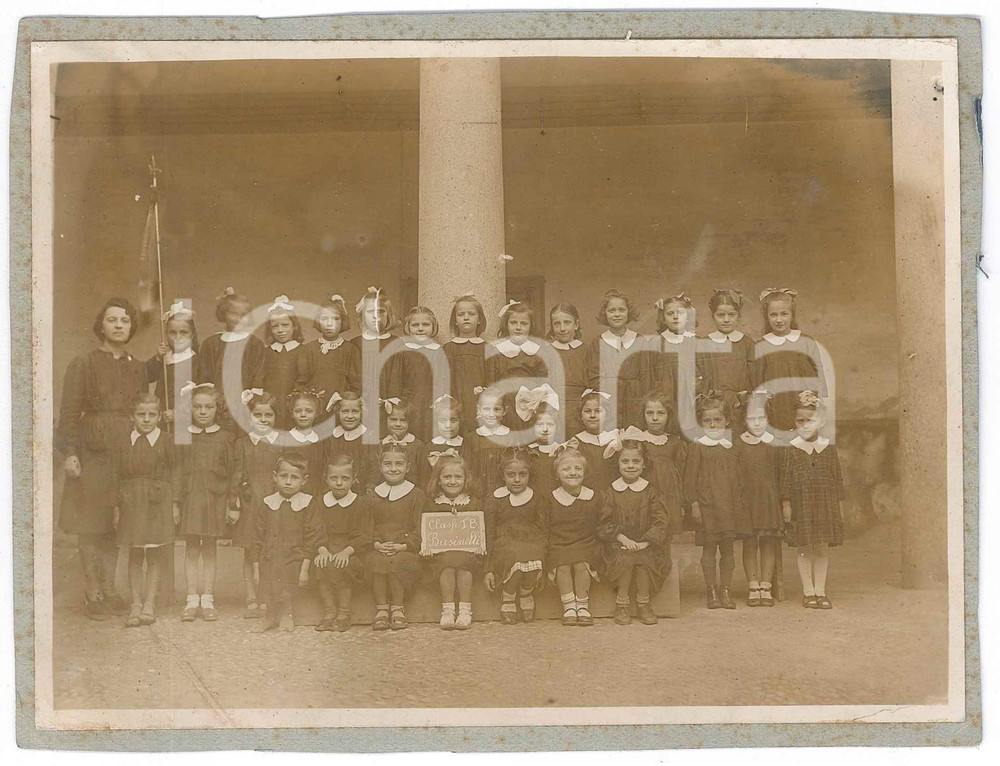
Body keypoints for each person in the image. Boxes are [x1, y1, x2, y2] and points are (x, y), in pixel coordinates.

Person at [57, 297, 148, 620]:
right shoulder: (83, 362)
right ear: (101, 326)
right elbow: (68, 411)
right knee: (91, 522)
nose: (119, 325)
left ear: (131, 327)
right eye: (112, 320)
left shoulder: (137, 367)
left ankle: (110, 589)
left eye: (125, 320)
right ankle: (92, 591)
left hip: (124, 446)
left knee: (116, 521)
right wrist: (68, 452)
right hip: (92, 447)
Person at [111, 393, 176, 627]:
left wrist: (175, 503)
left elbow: (176, 472)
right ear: (133, 416)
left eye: (152, 414)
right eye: (141, 414)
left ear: (160, 416)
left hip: (158, 502)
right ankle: (135, 604)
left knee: (155, 554)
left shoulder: (167, 440)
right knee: (135, 554)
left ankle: (150, 603)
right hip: (131, 502)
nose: (146, 419)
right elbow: (116, 476)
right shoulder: (124, 441)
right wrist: (117, 507)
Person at [684, 392, 751, 610]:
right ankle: (711, 590)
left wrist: (740, 502)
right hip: (708, 506)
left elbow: (741, 477)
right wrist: (694, 503)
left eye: (717, 420)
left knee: (729, 550)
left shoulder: (734, 446)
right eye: (707, 421)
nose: (712, 424)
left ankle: (726, 590)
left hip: (730, 506)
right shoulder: (697, 447)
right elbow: (690, 478)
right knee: (710, 549)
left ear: (728, 421)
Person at [780, 390, 845, 610]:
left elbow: (837, 479)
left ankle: (821, 591)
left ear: (822, 421)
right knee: (804, 546)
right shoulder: (792, 448)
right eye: (801, 421)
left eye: (811, 420)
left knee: (821, 547)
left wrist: (839, 505)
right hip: (802, 503)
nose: (805, 425)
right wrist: (786, 502)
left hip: (824, 503)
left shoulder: (828, 447)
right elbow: (786, 478)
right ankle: (808, 591)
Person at [174, 384, 233, 622]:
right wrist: (175, 503)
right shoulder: (183, 437)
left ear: (217, 409)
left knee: (209, 549)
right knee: (191, 549)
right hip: (191, 499)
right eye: (197, 407)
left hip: (214, 499)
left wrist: (230, 502)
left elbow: (231, 473)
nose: (203, 412)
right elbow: (177, 471)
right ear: (191, 409)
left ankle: (207, 597)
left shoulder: (226, 438)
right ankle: (191, 599)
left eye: (208, 407)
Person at [248, 453, 325, 632]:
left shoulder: (307, 503)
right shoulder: (268, 503)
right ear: (275, 477)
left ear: (304, 481)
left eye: (294, 477)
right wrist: (256, 566)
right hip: (270, 555)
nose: (288, 482)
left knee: (288, 573)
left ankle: (286, 613)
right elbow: (257, 537)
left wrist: (305, 567)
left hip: (297, 556)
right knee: (269, 575)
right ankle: (270, 616)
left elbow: (313, 536)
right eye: (284, 476)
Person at [598, 440, 670, 626]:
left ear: (644, 463)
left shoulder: (651, 491)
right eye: (625, 461)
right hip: (617, 543)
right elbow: (603, 523)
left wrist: (646, 542)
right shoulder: (611, 492)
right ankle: (622, 604)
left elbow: (660, 521)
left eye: (636, 461)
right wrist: (621, 537)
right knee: (626, 558)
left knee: (643, 559)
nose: (631, 466)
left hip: (647, 544)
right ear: (618, 464)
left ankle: (643, 603)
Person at [229, 391, 283, 619]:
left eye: (268, 415)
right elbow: (236, 473)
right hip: (251, 503)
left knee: (269, 551)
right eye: (257, 415)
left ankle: (266, 594)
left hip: (272, 503)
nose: (263, 419)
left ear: (275, 417)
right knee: (250, 552)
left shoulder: (280, 442)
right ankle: (251, 595)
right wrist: (233, 501)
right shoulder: (242, 443)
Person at [365, 443, 426, 631]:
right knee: (376, 561)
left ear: (407, 467)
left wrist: (404, 546)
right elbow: (368, 525)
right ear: (380, 466)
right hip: (379, 546)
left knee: (399, 561)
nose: (393, 469)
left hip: (405, 547)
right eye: (388, 464)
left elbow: (419, 527)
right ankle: (382, 608)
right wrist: (376, 544)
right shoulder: (373, 495)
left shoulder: (416, 495)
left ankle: (398, 608)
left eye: (399, 464)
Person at [483, 448, 548, 625]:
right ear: (503, 476)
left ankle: (526, 593)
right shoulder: (495, 498)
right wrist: (488, 568)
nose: (517, 479)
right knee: (515, 556)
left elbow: (542, 529)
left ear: (529, 475)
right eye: (511, 474)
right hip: (504, 542)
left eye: (522, 474)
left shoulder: (535, 497)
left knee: (534, 556)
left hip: (530, 539)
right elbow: (489, 532)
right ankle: (509, 595)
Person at [421, 453, 484, 630]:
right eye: (447, 477)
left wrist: (480, 546)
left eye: (458, 477)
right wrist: (427, 547)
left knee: (463, 564)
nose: (452, 481)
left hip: (468, 554)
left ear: (466, 479)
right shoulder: (432, 503)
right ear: (439, 480)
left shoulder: (474, 503)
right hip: (441, 555)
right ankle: (448, 609)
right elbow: (427, 530)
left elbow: (479, 530)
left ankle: (465, 609)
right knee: (447, 565)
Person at [754, 289, 828, 432]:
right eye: (773, 315)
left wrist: (819, 400)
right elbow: (758, 379)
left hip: (805, 402)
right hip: (777, 404)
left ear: (792, 315)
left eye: (784, 314)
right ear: (767, 317)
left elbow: (818, 371)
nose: (779, 319)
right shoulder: (761, 345)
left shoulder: (806, 342)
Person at [312, 455, 371, 632]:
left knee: (344, 565)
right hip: (326, 546)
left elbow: (364, 534)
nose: (339, 483)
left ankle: (344, 613)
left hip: (351, 549)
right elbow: (315, 529)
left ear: (354, 480)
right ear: (326, 479)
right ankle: (329, 611)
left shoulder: (360, 503)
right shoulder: (319, 502)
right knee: (322, 565)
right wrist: (322, 550)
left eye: (345, 478)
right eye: (334, 478)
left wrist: (347, 552)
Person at [736, 389, 783, 607]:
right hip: (747, 502)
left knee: (768, 543)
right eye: (751, 419)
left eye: (761, 418)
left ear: (768, 418)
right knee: (749, 543)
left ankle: (766, 584)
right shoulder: (739, 444)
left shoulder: (775, 443)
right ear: (744, 420)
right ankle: (753, 585)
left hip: (768, 500)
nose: (756, 423)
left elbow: (781, 475)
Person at [544, 447, 601, 627]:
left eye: (577, 469)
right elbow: (546, 525)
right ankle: (569, 606)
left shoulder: (592, 497)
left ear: (585, 472)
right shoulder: (551, 498)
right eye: (566, 469)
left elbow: (598, 524)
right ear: (557, 474)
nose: (572, 473)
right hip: (559, 542)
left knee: (581, 562)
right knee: (562, 563)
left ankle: (582, 605)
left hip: (585, 541)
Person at [198, 287, 266, 430]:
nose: (239, 319)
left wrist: (250, 401)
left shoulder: (255, 344)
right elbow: (205, 377)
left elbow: (258, 376)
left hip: (245, 407)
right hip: (217, 408)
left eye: (244, 315)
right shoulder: (211, 344)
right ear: (223, 314)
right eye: (233, 313)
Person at [638, 391, 687, 575]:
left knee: (665, 536)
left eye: (661, 413)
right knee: (646, 532)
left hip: (669, 495)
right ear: (643, 415)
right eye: (650, 413)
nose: (655, 418)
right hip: (646, 496)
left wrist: (682, 502)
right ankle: (646, 576)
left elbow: (681, 473)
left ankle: (663, 575)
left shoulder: (675, 442)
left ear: (669, 415)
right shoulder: (638, 440)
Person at [295, 295, 361, 424]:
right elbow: (301, 382)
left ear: (343, 321)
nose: (329, 324)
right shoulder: (308, 350)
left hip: (341, 409)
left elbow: (356, 385)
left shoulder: (350, 350)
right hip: (313, 410)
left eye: (335, 319)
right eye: (324, 319)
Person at [584, 289, 644, 430]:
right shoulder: (597, 343)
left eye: (621, 310)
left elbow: (647, 376)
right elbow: (593, 377)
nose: (617, 314)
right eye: (611, 310)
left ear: (628, 312)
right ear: (605, 313)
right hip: (609, 402)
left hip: (635, 402)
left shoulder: (640, 341)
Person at [645, 292, 703, 436]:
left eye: (680, 313)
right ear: (663, 317)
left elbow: (704, 370)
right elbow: (649, 373)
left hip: (690, 396)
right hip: (665, 395)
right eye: (670, 313)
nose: (675, 317)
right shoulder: (655, 342)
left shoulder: (695, 341)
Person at [486, 301, 548, 429]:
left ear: (531, 326)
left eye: (524, 323)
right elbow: (491, 381)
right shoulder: (497, 351)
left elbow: (543, 381)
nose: (518, 327)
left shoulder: (538, 351)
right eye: (513, 323)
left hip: (529, 403)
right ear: (506, 324)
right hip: (504, 402)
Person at [699, 289, 754, 431]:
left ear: (739, 316)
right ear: (713, 316)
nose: (726, 319)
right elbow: (702, 377)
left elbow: (753, 376)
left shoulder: (747, 343)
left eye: (731, 315)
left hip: (740, 405)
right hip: (714, 407)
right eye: (720, 315)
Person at [351, 287, 399, 435]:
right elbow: (352, 377)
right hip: (362, 407)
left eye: (381, 312)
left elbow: (400, 377)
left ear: (389, 315)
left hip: (391, 408)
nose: (376, 316)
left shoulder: (398, 344)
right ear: (362, 316)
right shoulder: (355, 345)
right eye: (371, 312)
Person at [394, 306, 445, 442]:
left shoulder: (438, 351)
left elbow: (442, 379)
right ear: (408, 327)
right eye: (415, 325)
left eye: (426, 324)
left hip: (431, 403)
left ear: (433, 327)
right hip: (409, 402)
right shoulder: (403, 351)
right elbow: (397, 380)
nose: (420, 328)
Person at [146, 300, 201, 421]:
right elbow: (148, 376)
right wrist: (157, 358)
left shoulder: (197, 362)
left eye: (183, 333)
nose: (177, 338)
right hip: (162, 416)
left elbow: (200, 396)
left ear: (192, 335)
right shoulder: (165, 357)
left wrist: (177, 414)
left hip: (184, 419)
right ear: (166, 334)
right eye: (172, 333)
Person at [443, 294, 488, 433]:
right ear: (455, 321)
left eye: (471, 314)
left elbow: (492, 377)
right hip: (455, 399)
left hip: (479, 401)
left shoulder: (487, 348)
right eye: (461, 314)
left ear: (480, 319)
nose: (466, 317)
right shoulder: (448, 348)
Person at [262, 294, 305, 430]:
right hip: (270, 406)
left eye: (285, 325)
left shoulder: (303, 351)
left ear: (294, 327)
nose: (280, 330)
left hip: (295, 406)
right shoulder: (266, 353)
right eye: (275, 326)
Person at [547, 302, 587, 438]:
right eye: (557, 324)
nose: (562, 328)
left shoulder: (586, 351)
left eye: (567, 323)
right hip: (553, 409)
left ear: (576, 324)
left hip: (579, 410)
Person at [465, 386, 514, 493]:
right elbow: (467, 470)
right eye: (486, 409)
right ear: (479, 410)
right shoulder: (472, 438)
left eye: (496, 409)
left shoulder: (511, 437)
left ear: (504, 411)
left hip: (505, 491)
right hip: (478, 492)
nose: (491, 414)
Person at [328, 391, 376, 492]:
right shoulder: (333, 437)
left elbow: (374, 466)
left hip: (362, 490)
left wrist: (370, 486)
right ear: (338, 412)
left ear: (361, 412)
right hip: (336, 488)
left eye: (355, 411)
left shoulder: (368, 437)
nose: (350, 416)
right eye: (345, 411)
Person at [572, 389, 617, 492]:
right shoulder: (576, 442)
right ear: (580, 415)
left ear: (607, 414)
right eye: (588, 411)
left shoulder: (613, 440)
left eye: (598, 411)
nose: (593, 415)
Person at [285, 390, 326, 497]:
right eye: (298, 411)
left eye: (309, 411)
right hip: (290, 493)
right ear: (292, 413)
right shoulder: (285, 440)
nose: (303, 415)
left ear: (316, 413)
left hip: (315, 494)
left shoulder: (320, 441)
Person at [380, 397, 429, 486]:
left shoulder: (418, 446)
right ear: (385, 420)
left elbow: (424, 476)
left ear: (409, 422)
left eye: (403, 420)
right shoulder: (380, 445)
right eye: (393, 419)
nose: (398, 424)